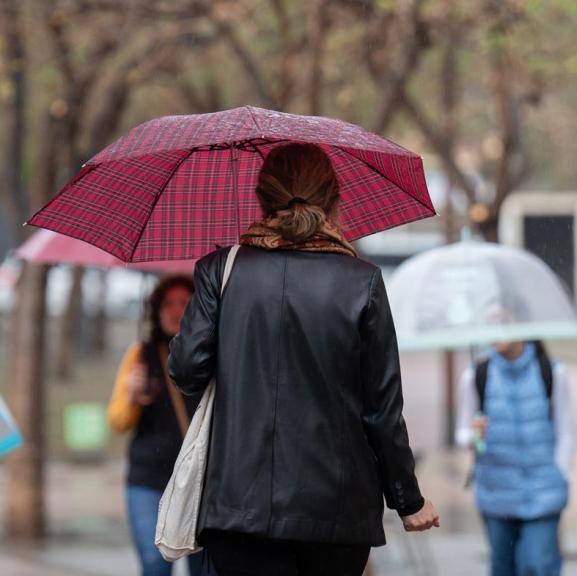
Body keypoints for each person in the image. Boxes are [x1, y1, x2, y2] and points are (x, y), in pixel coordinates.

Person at [168, 143, 439, 576]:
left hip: (238, 506)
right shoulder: (361, 281)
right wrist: (408, 499)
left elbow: (185, 371)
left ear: (262, 198)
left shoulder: (221, 270)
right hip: (335, 511)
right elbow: (382, 410)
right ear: (334, 199)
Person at [108, 274, 208, 576]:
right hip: (148, 480)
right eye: (168, 303)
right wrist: (132, 395)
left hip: (198, 482)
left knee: (202, 567)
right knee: (154, 565)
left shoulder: (211, 354)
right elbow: (118, 422)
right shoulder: (141, 355)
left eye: (184, 302)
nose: (176, 310)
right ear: (156, 309)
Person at [456, 339, 573, 576]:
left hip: (543, 490)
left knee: (536, 564)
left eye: (503, 321)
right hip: (496, 491)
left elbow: (566, 431)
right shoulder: (476, 375)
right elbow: (462, 432)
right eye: (492, 322)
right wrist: (473, 435)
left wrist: (560, 472)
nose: (497, 331)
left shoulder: (552, 372)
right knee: (502, 567)